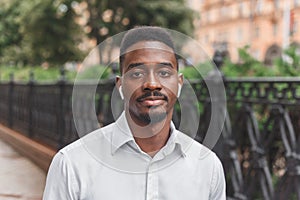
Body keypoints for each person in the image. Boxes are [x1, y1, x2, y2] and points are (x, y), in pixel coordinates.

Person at [43, 26, 226, 200]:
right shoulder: (72, 164)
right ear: (120, 85)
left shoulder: (207, 167)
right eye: (137, 73)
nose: (152, 84)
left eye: (164, 72)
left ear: (179, 84)